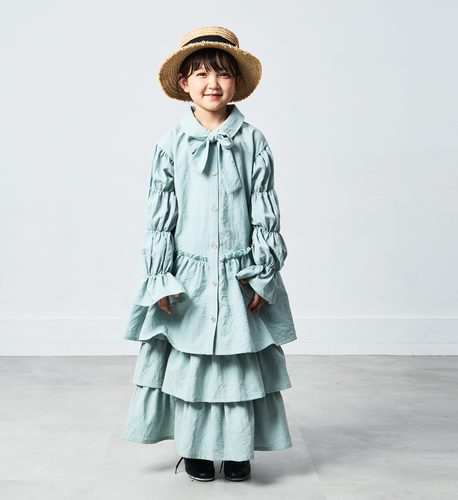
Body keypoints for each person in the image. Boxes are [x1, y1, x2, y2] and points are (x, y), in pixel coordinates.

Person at [121, 25, 297, 482]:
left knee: (238, 364)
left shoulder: (254, 141)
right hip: (189, 278)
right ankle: (195, 447)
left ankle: (238, 451)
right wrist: (160, 277)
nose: (212, 83)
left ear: (236, 82)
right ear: (184, 83)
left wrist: (262, 273)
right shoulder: (170, 144)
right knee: (193, 365)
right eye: (201, 73)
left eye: (222, 73)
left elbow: (265, 211)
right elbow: (160, 217)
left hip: (239, 274)